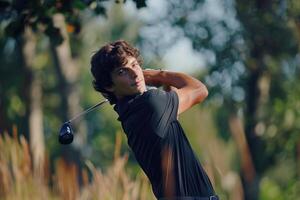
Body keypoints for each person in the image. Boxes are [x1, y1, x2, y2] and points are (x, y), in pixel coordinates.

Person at [90, 40, 218, 200]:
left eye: (135, 65)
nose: (136, 74)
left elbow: (172, 119)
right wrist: (158, 75)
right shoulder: (150, 103)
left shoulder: (130, 114)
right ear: (109, 86)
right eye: (122, 71)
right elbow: (200, 90)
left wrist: (163, 83)